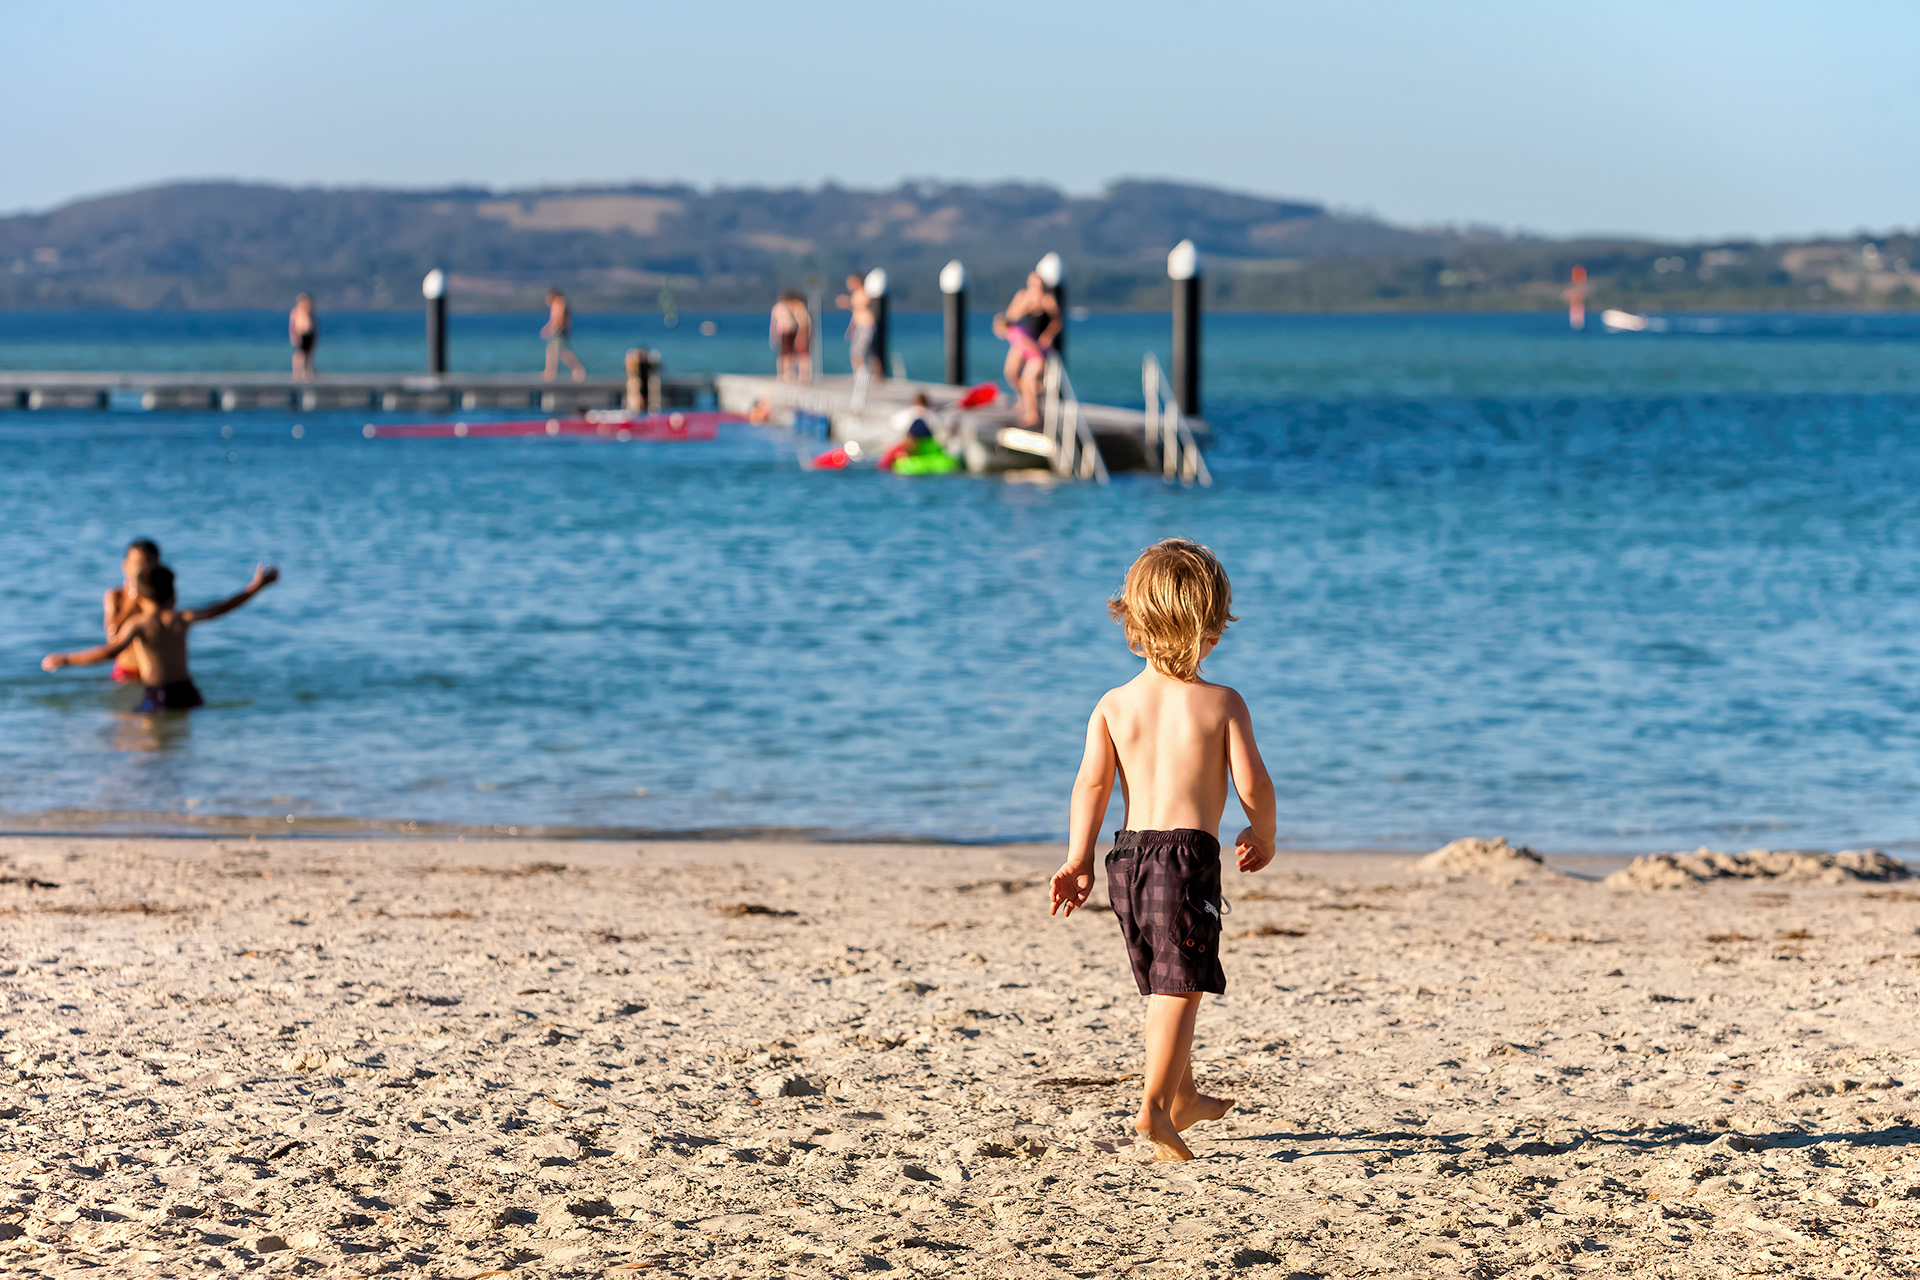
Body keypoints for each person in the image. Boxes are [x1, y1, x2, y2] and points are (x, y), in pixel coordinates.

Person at [1048, 539, 1277, 1162]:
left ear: (1135, 625)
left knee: (1164, 981)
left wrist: (1078, 859)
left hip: (1128, 859)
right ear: (1211, 631)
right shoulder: (1222, 702)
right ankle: (1153, 1109)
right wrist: (1264, 832)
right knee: (1181, 990)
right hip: (1184, 859)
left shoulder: (1114, 704)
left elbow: (1090, 784)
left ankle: (1185, 1097)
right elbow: (1252, 783)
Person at [43, 563, 280, 713]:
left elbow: (110, 652)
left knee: (148, 746)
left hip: (159, 694)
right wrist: (255, 588)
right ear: (174, 593)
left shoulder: (138, 624)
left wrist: (66, 659)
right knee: (179, 742)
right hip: (188, 692)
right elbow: (221, 608)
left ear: (140, 598)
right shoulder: (183, 617)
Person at [993, 272, 1059, 427]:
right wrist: (1026, 303)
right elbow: (1009, 318)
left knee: (1028, 379)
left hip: (1035, 344)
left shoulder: (1047, 300)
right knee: (1011, 372)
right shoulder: (1022, 296)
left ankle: (1032, 411)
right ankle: (1024, 398)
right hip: (1021, 341)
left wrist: (1048, 336)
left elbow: (1057, 321)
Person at [103, 538, 162, 683]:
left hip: (156, 673)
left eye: (147, 564)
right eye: (137, 564)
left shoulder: (161, 598)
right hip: (126, 673)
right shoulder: (115, 596)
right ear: (125, 565)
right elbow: (113, 639)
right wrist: (133, 599)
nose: (141, 570)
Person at [835, 275, 880, 379]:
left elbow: (863, 305)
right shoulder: (856, 294)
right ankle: (861, 374)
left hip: (866, 325)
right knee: (859, 352)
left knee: (860, 352)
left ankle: (864, 375)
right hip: (859, 326)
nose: (848, 284)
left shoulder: (864, 293)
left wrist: (847, 302)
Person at [542, 289, 586, 383]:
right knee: (552, 351)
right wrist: (548, 328)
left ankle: (578, 369)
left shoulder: (559, 302)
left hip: (559, 331)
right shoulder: (561, 302)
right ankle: (550, 372)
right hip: (559, 330)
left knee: (561, 352)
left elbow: (558, 317)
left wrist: (554, 328)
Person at [770, 291, 813, 384]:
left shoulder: (795, 306)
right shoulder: (795, 306)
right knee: (794, 355)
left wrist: (801, 335)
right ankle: (797, 375)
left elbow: (803, 323)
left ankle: (795, 375)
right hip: (793, 331)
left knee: (793, 355)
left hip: (791, 332)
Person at [289, 294, 318, 381]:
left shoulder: (309, 311)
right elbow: (293, 325)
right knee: (299, 355)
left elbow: (314, 326)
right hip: (301, 334)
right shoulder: (296, 311)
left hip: (308, 334)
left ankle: (307, 373)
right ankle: (297, 374)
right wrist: (294, 337)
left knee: (308, 355)